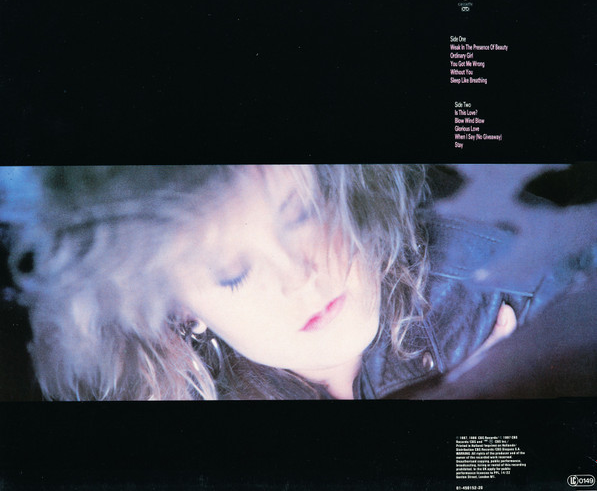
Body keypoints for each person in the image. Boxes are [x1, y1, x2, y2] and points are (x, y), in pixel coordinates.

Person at [0, 164, 591, 400]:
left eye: (302, 215)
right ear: (180, 309)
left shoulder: (504, 282)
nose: (300, 278)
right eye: (232, 272)